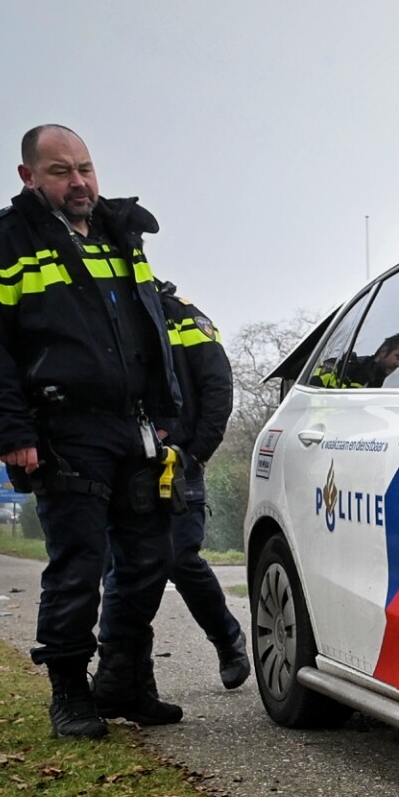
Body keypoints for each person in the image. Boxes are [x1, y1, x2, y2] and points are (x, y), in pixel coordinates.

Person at [0, 124, 184, 738]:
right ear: (29, 176)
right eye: (60, 171)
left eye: (85, 167)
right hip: (61, 429)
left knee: (150, 559)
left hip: (136, 427)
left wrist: (168, 410)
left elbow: (148, 329)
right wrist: (11, 431)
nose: (79, 181)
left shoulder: (119, 232)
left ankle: (125, 679)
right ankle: (69, 692)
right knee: (79, 562)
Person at [100, 283, 248, 689]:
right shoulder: (95, 305)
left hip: (178, 458)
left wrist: (196, 452)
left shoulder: (180, 313)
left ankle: (227, 638)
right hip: (120, 458)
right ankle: (130, 676)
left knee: (180, 557)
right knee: (116, 566)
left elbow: (218, 386)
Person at [312, 331, 399, 387]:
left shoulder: (388, 386)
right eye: (398, 357)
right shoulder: (339, 367)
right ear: (383, 352)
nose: (398, 364)